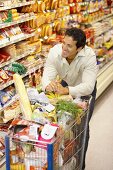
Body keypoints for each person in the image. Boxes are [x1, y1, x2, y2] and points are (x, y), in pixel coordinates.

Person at [42, 27, 98, 169]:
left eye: (69, 45)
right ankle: (63, 162)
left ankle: (80, 165)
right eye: (63, 43)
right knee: (61, 123)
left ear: (79, 48)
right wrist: (48, 85)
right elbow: (47, 75)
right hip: (66, 83)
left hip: (83, 90)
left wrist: (67, 90)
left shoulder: (89, 56)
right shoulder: (55, 52)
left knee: (81, 127)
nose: (64, 48)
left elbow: (88, 87)